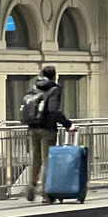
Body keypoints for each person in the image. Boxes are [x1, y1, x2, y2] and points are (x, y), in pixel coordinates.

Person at [25, 65, 74, 203]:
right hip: (47, 129)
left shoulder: (34, 87)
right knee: (48, 160)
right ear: (54, 75)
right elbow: (53, 110)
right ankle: (46, 193)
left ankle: (32, 185)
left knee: (36, 158)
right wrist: (68, 124)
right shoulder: (54, 89)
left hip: (33, 127)